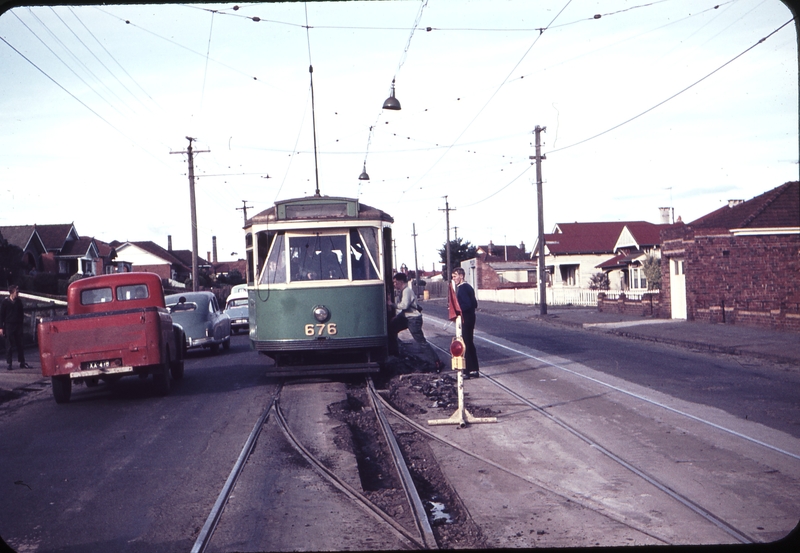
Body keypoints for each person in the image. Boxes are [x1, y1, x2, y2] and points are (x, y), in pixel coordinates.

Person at [387, 273, 443, 371]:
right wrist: (396, 318)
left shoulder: (407, 291)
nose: (394, 284)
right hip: (407, 318)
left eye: (395, 282)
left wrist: (391, 304)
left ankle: (436, 363)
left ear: (401, 282)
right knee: (391, 328)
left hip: (413, 320)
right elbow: (405, 311)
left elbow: (404, 306)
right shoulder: (403, 291)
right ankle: (394, 353)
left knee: (421, 342)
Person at [452, 268, 479, 378]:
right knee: (470, 343)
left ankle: (467, 371)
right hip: (471, 317)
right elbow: (475, 304)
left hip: (465, 318)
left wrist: (456, 309)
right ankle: (474, 369)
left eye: (455, 276)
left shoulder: (462, 289)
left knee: (465, 344)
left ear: (461, 276)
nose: (453, 279)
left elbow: (467, 304)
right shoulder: (469, 287)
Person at [1, 285, 31, 371]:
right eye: (16, 292)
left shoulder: (19, 302)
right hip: (9, 325)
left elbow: (21, 314)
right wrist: (1, 327)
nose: (17, 294)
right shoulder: (5, 303)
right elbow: (2, 315)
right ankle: (9, 363)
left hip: (18, 325)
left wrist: (21, 324)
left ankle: (22, 362)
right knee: (9, 345)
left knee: (20, 344)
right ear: (12, 292)